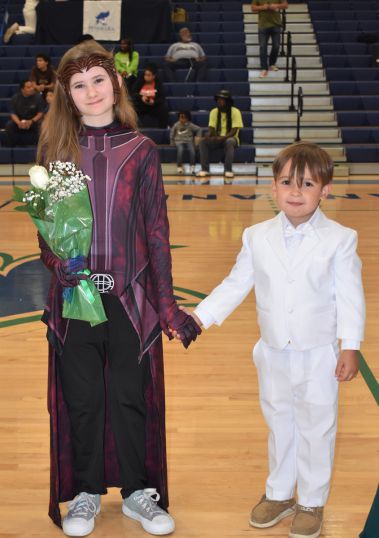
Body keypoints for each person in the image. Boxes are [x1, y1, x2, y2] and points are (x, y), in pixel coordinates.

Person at [36, 39, 201, 537]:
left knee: (131, 397)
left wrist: (168, 305)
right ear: (67, 94)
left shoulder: (144, 152)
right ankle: (86, 492)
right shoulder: (55, 154)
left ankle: (136, 493)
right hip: (75, 301)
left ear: (116, 83)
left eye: (98, 80)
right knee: (83, 397)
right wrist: (61, 265)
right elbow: (47, 232)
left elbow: (156, 233)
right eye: (78, 84)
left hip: (132, 301)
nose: (90, 91)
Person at [183, 142, 365, 538]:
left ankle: (312, 500)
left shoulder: (340, 239)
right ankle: (280, 493)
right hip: (272, 351)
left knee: (317, 426)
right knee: (279, 420)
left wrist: (349, 346)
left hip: (319, 353)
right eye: (286, 182)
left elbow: (351, 297)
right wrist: (200, 317)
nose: (295, 192)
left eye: (307, 184)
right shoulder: (256, 235)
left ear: (326, 190)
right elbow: (236, 284)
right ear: (272, 187)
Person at [196, 89, 243, 183]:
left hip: (231, 138)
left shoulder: (235, 111)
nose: (219, 101)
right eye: (218, 99)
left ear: (228, 101)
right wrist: (208, 135)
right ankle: (205, 169)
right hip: (218, 137)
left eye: (222, 99)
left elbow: (234, 131)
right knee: (203, 142)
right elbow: (211, 129)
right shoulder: (214, 111)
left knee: (229, 141)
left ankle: (228, 170)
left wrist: (222, 138)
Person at [251, 0, 288, 78]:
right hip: (263, 25)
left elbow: (285, 5)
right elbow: (253, 8)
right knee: (262, 46)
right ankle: (264, 68)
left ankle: (272, 64)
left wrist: (276, 6)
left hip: (276, 24)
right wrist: (263, 7)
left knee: (276, 46)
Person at [3, 79, 44, 147]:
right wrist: (19, 122)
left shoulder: (38, 97)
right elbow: (13, 113)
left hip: (33, 121)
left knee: (41, 125)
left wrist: (31, 121)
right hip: (19, 121)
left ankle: (39, 148)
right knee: (9, 125)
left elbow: (40, 113)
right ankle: (9, 147)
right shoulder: (15, 98)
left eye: (32, 86)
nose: (32, 89)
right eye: (28, 87)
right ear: (22, 90)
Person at [170, 110, 201, 175]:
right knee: (180, 150)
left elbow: (199, 129)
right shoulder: (176, 125)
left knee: (192, 151)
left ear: (187, 118)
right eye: (181, 117)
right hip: (179, 141)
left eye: (184, 117)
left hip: (189, 141)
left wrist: (198, 137)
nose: (182, 119)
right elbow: (172, 133)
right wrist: (172, 142)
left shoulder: (190, 125)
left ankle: (192, 166)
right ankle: (179, 166)